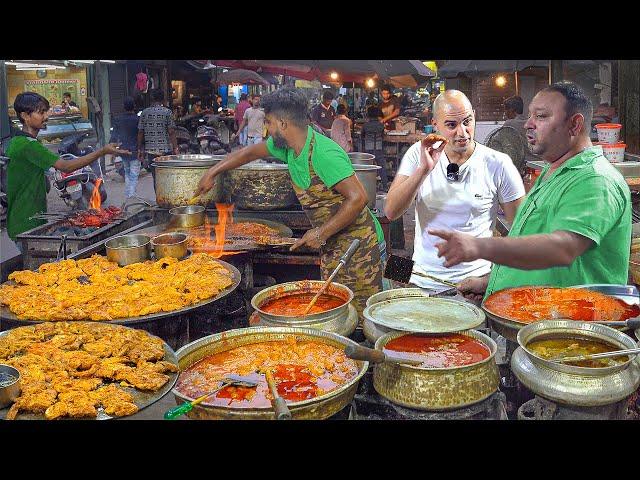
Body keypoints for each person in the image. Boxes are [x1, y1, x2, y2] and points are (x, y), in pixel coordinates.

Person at [428, 82, 631, 302]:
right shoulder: (552, 172)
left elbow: (562, 249)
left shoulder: (595, 180)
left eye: (541, 117)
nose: (528, 124)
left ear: (574, 125)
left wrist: (478, 246)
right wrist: (491, 282)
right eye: (531, 115)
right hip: (529, 318)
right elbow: (533, 247)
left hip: (567, 329)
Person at [195, 87, 385, 318]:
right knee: (337, 310)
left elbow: (359, 198)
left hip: (361, 245)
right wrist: (212, 172)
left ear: (283, 124)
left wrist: (320, 233)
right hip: (335, 244)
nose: (267, 128)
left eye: (269, 122)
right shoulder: (290, 148)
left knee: (362, 315)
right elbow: (249, 153)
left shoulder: (324, 154)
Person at [384, 89, 526, 291]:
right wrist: (423, 170)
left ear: (474, 116)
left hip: (474, 285)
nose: (462, 132)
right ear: (435, 125)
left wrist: (491, 281)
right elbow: (391, 211)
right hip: (421, 278)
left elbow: (523, 232)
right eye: (451, 125)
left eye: (467, 122)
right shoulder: (418, 153)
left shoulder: (498, 163)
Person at [6, 92, 129, 250]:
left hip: (23, 219)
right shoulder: (28, 145)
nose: (46, 116)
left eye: (46, 111)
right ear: (25, 116)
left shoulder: (18, 141)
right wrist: (102, 151)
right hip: (25, 222)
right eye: (41, 112)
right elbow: (66, 166)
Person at [137, 88, 179, 190]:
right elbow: (171, 132)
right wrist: (176, 148)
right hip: (165, 150)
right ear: (163, 99)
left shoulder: (144, 112)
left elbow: (140, 132)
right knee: (168, 176)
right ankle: (168, 197)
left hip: (151, 151)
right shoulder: (167, 112)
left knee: (156, 177)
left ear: (152, 98)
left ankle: (159, 199)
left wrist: (139, 149)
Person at [110, 96, 140, 199]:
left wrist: (114, 152)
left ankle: (129, 195)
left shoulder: (118, 119)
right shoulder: (137, 119)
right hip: (135, 151)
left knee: (127, 173)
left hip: (123, 151)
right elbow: (141, 136)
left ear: (124, 107)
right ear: (134, 106)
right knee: (134, 175)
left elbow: (114, 136)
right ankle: (131, 196)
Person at [361, 106, 389, 189]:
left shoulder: (365, 125)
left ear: (368, 115)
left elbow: (362, 135)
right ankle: (385, 186)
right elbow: (383, 135)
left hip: (368, 149)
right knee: (381, 168)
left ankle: (367, 187)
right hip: (378, 148)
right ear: (377, 115)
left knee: (368, 168)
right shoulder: (381, 125)